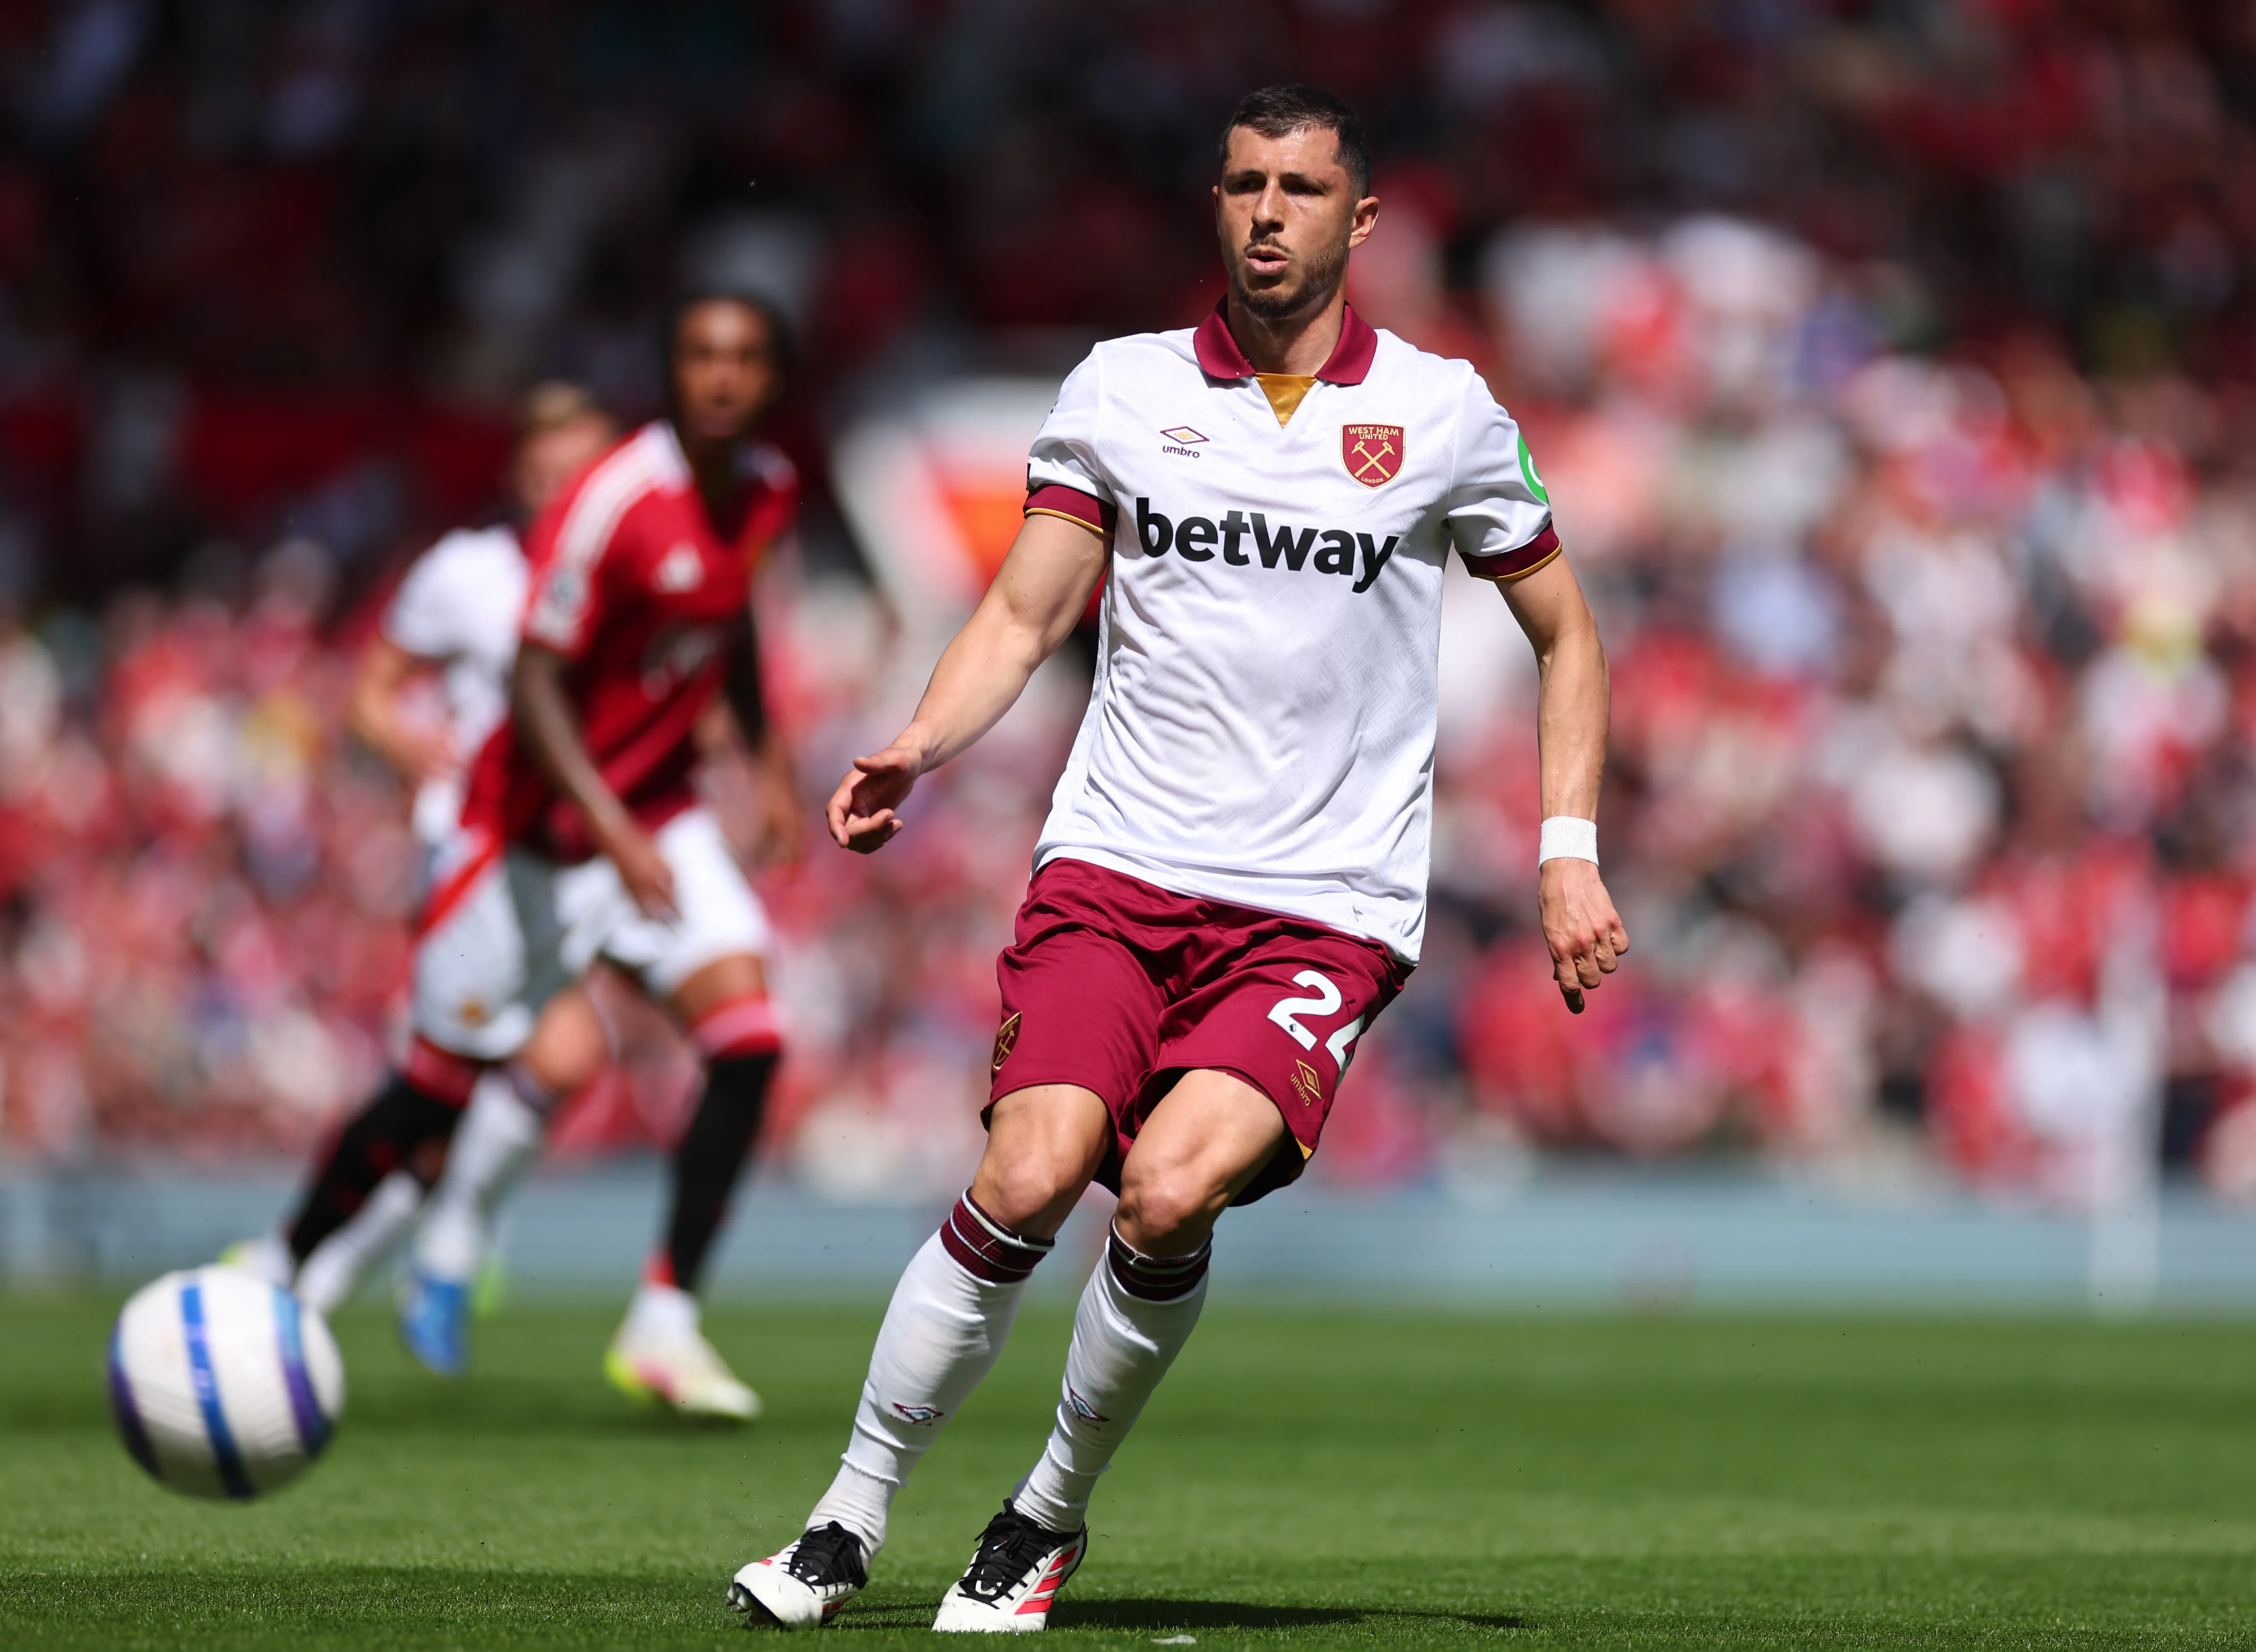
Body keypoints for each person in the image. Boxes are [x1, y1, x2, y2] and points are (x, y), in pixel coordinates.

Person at [730, 84, 1625, 1632]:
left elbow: (1567, 631)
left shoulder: (1444, 412)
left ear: (1362, 222)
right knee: (1027, 1171)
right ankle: (847, 1511)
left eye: (1300, 187)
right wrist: (916, 745)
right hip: (1118, 868)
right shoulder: (1124, 392)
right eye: (1242, 185)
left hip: (1319, 911)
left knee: (1164, 1192)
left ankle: (1044, 1513)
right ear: (1215, 207)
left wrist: (1566, 851)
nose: (1268, 212)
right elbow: (1025, 610)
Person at [267, 293, 807, 1420]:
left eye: (745, 358)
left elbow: (732, 615)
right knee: (432, 1091)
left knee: (750, 1040)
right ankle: (287, 1272)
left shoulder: (766, 488)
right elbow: (532, 683)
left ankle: (664, 1323)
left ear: (774, 379)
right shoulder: (613, 504)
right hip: (532, 835)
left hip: (656, 818)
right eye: (699, 354)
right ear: (667, 372)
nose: (720, 377)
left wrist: (766, 762)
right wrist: (608, 826)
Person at [230, 384, 617, 1328]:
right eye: (548, 468)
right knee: (486, 1068)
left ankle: (330, 1263)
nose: (565, 487)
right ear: (518, 476)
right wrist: (409, 744)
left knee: (513, 1072)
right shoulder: (467, 572)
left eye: (585, 470)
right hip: (475, 844)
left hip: (569, 852)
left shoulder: (624, 581)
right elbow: (372, 691)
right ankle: (339, 1261)